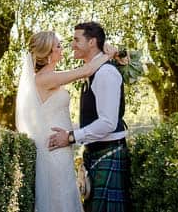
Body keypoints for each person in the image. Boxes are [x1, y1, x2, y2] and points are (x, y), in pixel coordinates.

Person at [16, 30, 117, 212]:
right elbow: (86, 70)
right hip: (53, 150)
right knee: (59, 199)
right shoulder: (44, 79)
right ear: (48, 54)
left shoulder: (50, 77)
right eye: (58, 46)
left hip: (61, 148)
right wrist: (108, 55)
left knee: (65, 196)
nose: (63, 48)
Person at [48, 22, 131, 212]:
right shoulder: (92, 72)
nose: (72, 45)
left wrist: (70, 137)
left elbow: (108, 123)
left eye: (77, 40)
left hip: (109, 152)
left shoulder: (106, 73)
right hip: (97, 153)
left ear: (92, 42)